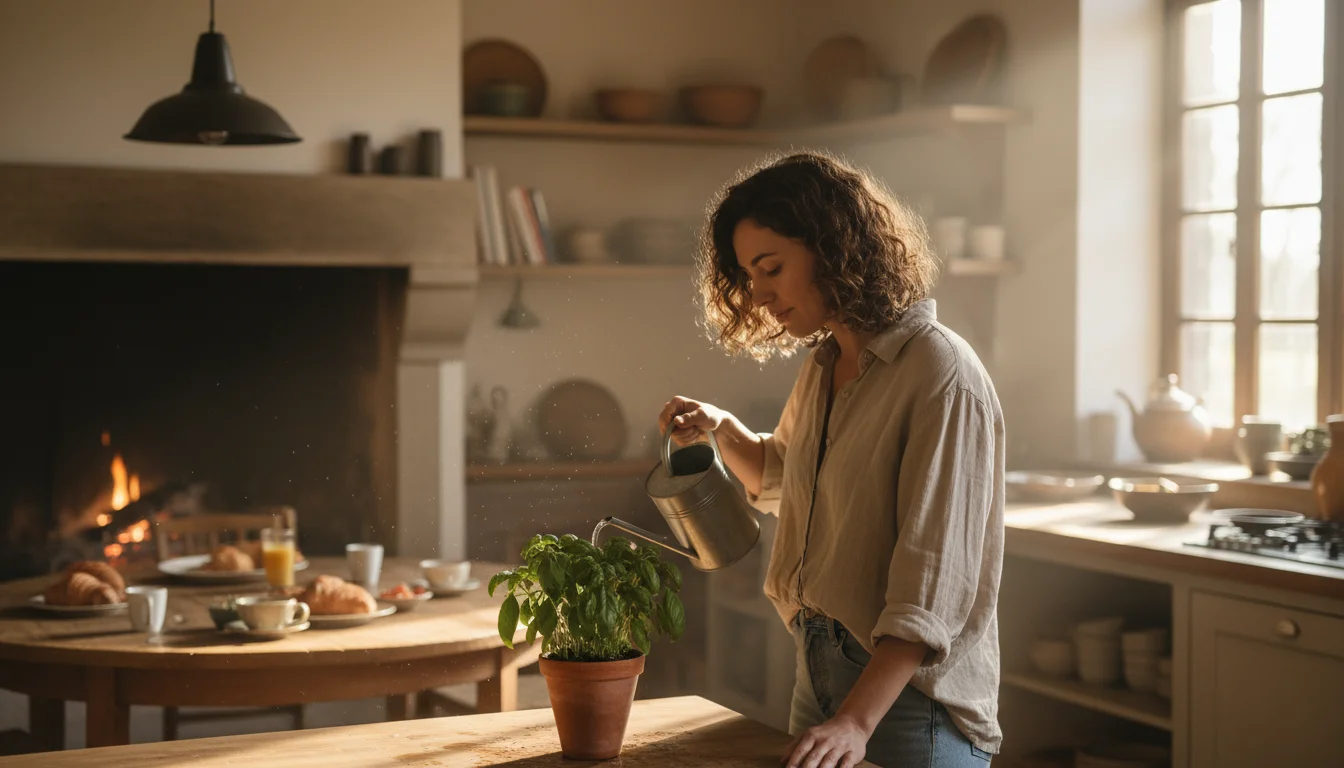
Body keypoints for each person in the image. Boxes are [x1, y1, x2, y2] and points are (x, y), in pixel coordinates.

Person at [658, 152, 1004, 768]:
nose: (759, 293)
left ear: (835, 248)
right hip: (819, 675)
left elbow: (932, 581)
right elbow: (789, 481)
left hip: (904, 707)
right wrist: (722, 430)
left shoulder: (940, 373)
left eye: (772, 268)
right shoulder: (826, 365)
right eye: (748, 275)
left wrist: (855, 721)